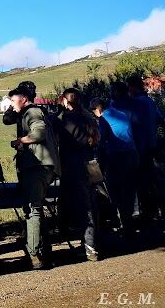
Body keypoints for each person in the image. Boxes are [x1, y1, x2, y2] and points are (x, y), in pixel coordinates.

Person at [3, 83, 60, 269]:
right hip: (40, 166)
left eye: (14, 99)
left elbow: (39, 132)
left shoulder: (32, 113)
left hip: (37, 166)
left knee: (33, 209)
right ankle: (45, 250)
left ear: (24, 98)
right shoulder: (27, 111)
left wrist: (21, 140)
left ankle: (34, 254)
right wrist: (13, 108)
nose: (11, 102)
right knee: (37, 207)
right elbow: (6, 120)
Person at [56, 88, 100, 261]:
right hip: (90, 164)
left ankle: (88, 245)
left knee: (80, 205)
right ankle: (94, 242)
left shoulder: (64, 119)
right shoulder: (88, 118)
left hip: (71, 166)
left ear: (66, 102)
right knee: (91, 204)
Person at [94, 83, 139, 234]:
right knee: (130, 188)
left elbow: (101, 141)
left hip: (117, 156)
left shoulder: (104, 118)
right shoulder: (121, 113)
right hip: (132, 152)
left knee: (116, 189)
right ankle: (133, 218)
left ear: (98, 109)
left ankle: (125, 223)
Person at [127, 75, 163, 221]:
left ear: (132, 87)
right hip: (152, 145)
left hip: (139, 147)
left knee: (141, 181)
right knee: (154, 179)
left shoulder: (134, 103)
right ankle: (157, 209)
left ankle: (148, 211)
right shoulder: (149, 101)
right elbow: (160, 119)